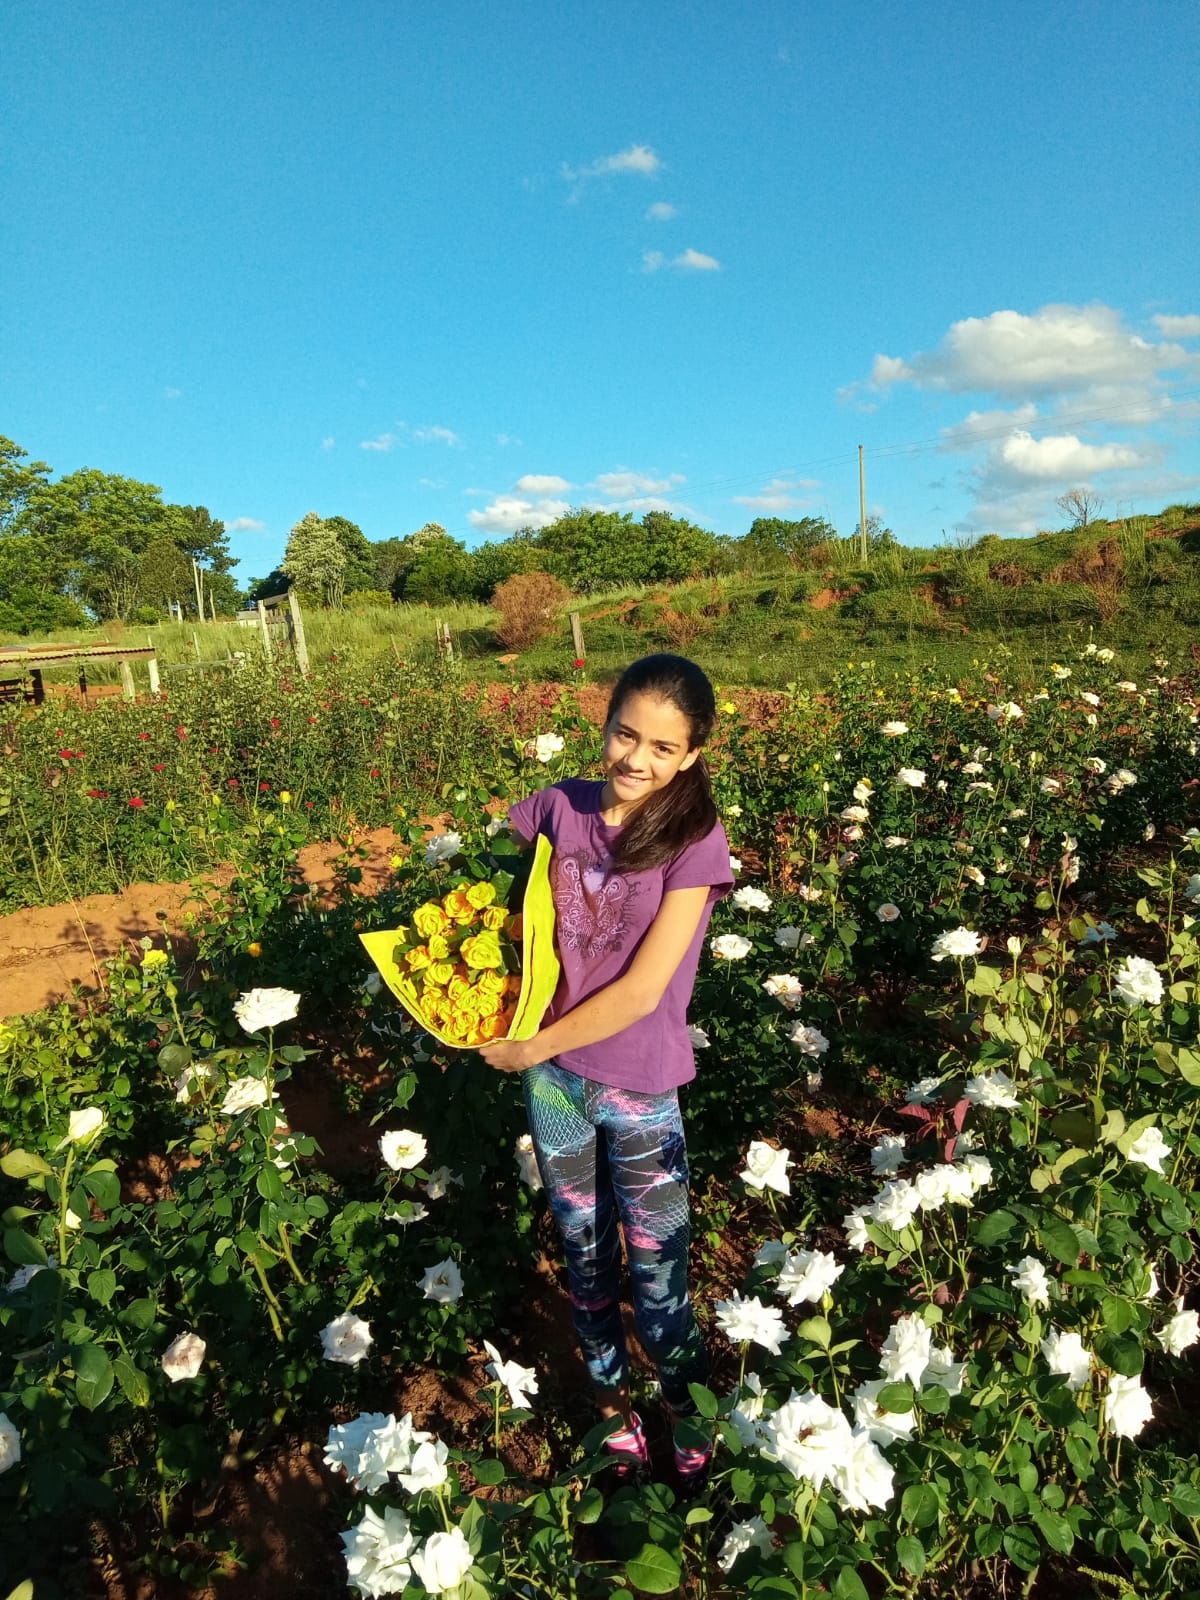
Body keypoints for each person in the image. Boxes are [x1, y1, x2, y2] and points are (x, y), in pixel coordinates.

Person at [478, 653, 733, 1486]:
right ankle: (619, 1424)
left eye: (662, 747)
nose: (635, 760)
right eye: (626, 734)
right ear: (606, 719)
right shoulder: (560, 806)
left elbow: (642, 991)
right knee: (585, 1266)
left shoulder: (694, 840)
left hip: (635, 1089)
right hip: (554, 1087)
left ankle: (692, 1436)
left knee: (660, 1284)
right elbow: (492, 866)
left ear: (692, 755)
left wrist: (528, 1047)